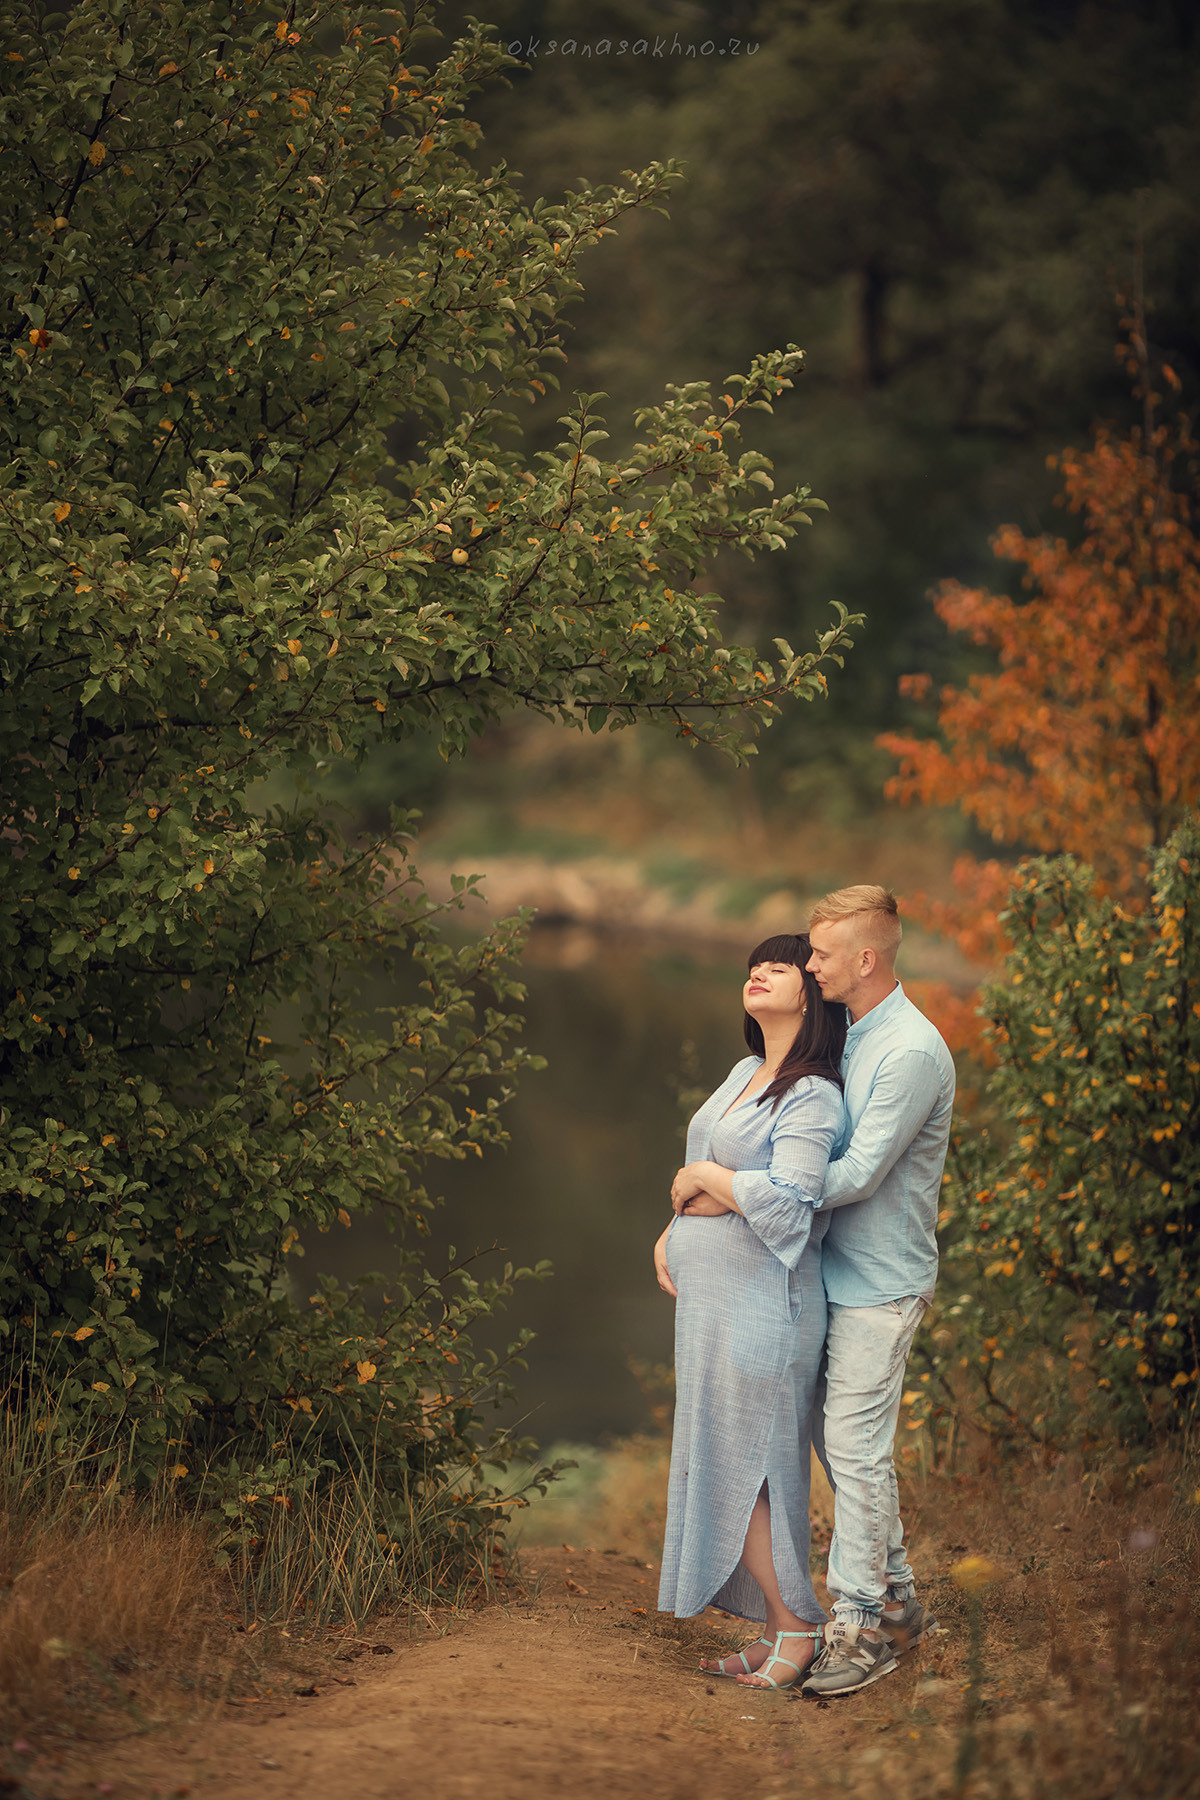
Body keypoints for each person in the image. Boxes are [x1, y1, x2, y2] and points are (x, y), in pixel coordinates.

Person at [652, 934, 847, 1693]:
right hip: (714, 1304)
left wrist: (705, 1176)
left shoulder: (813, 1093)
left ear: (813, 992)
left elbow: (793, 1200)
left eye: (781, 965)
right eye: (752, 966)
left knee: (756, 1467)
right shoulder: (745, 1072)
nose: (758, 973)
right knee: (729, 1456)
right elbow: (707, 1186)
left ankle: (798, 1625)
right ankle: (773, 1629)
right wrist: (672, 1229)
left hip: (768, 1303)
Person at [799, 885, 956, 1698]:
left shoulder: (911, 1051)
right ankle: (897, 1604)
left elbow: (858, 1174)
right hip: (830, 1273)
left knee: (856, 1451)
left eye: (821, 953)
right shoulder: (850, 1032)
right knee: (841, 1448)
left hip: (881, 1285)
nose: (809, 964)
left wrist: (750, 1193)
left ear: (865, 959)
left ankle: (859, 1629)